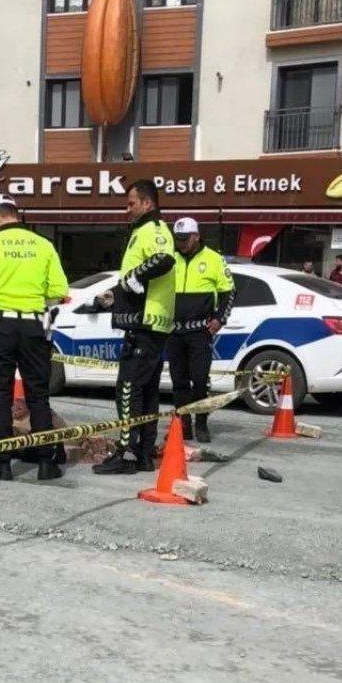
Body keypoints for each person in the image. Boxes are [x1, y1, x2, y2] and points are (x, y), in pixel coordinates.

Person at [0, 194, 69, 482]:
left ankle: (2, 464)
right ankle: (46, 462)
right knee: (38, 394)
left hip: (0, 327)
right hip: (35, 325)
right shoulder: (44, 244)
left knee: (1, 394)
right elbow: (58, 289)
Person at [93, 180, 176, 475]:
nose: (127, 209)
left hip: (146, 322)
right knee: (147, 391)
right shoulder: (142, 231)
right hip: (149, 321)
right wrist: (115, 294)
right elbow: (136, 280)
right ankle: (143, 454)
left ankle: (127, 452)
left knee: (127, 388)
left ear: (147, 203)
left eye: (131, 203)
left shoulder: (154, 229)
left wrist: (133, 277)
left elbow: (164, 259)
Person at [167, 218, 235, 444]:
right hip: (174, 331)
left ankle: (202, 423)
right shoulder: (170, 258)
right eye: (178, 239)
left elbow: (229, 292)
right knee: (179, 382)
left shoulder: (214, 259)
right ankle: (183, 425)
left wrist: (220, 319)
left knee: (199, 380)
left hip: (199, 331)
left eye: (185, 239)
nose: (181, 243)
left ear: (196, 236)